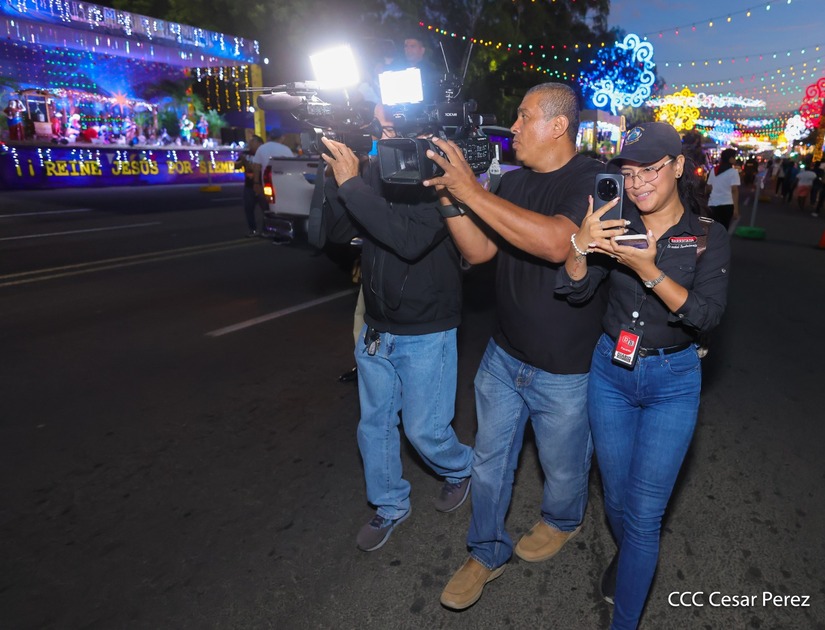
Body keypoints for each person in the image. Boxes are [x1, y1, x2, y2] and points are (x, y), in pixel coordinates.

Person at [421, 82, 607, 610]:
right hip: (503, 357)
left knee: (563, 468)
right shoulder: (513, 181)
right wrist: (448, 196)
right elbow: (481, 250)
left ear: (558, 126)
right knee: (488, 462)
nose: (514, 127)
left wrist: (471, 191)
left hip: (565, 368)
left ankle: (563, 520)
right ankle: (486, 551)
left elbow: (557, 243)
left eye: (524, 117)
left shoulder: (593, 180)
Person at [558, 121, 731, 630]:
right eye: (629, 173)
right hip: (610, 373)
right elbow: (574, 289)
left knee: (645, 515)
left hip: (673, 381)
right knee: (616, 499)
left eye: (650, 170)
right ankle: (631, 551)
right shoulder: (613, 223)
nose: (637, 184)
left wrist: (650, 270)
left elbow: (706, 315)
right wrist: (580, 245)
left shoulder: (707, 236)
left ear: (677, 167)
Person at [319, 119, 474, 553]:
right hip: (377, 328)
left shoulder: (441, 181)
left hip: (427, 329)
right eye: (379, 129)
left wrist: (353, 185)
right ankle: (389, 504)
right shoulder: (371, 174)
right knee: (374, 426)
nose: (383, 139)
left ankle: (463, 467)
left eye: (392, 130)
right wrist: (335, 179)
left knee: (425, 431)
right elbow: (338, 233)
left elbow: (407, 240)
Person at [234, 134, 264, 236]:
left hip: (261, 185)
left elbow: (253, 168)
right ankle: (253, 229)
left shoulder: (262, 154)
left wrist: (245, 162)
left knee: (265, 209)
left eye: (252, 143)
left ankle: (266, 229)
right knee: (248, 208)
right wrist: (241, 161)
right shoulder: (245, 153)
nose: (249, 145)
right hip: (248, 185)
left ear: (258, 143)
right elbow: (236, 166)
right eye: (249, 143)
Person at [706, 148, 739, 230]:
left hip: (713, 204)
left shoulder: (714, 170)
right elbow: (734, 191)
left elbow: (708, 187)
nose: (735, 159)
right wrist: (736, 209)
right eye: (734, 157)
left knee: (712, 230)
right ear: (730, 158)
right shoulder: (733, 172)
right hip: (727, 205)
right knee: (723, 229)